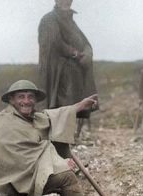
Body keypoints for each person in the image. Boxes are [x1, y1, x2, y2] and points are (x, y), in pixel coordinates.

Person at [0, 80, 116, 196]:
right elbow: (28, 156)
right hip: (10, 187)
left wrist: (79, 106)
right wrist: (60, 163)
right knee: (66, 177)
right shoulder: (7, 124)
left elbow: (48, 117)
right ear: (11, 100)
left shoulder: (24, 117)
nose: (26, 101)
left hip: (21, 178)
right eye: (21, 97)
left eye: (30, 97)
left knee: (59, 177)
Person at [38, 0, 98, 139]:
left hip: (75, 68)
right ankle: (60, 136)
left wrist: (87, 52)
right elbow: (54, 42)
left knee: (78, 101)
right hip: (59, 71)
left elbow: (84, 41)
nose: (66, 2)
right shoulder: (49, 19)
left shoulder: (70, 21)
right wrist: (75, 53)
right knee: (63, 103)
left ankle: (73, 134)